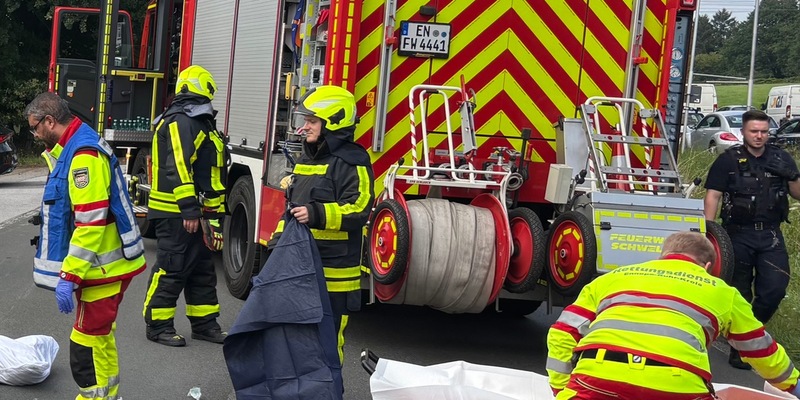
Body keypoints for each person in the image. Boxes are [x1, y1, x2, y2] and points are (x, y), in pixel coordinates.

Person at [546, 231, 800, 400]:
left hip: (597, 378)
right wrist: (793, 384)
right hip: (675, 384)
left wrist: (562, 388)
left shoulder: (613, 277)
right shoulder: (723, 291)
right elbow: (759, 349)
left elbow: (562, 333)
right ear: (707, 266)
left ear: (662, 256)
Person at [25, 92, 146, 400]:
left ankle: (94, 396)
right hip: (109, 265)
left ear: (50, 121)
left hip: (103, 267)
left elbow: (90, 224)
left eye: (35, 127)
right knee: (100, 335)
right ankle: (107, 395)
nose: (35, 134)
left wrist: (70, 275)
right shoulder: (77, 145)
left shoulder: (83, 157)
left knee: (85, 342)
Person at [268, 85, 374, 364]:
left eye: (312, 121)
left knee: (327, 342)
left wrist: (317, 213)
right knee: (295, 338)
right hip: (301, 267)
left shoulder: (353, 162)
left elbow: (360, 208)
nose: (304, 128)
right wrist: (276, 245)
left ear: (333, 122)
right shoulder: (307, 158)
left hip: (335, 275)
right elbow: (291, 211)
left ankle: (328, 386)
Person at [703, 109, 800, 369]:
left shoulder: (781, 158)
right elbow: (713, 195)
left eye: (764, 131)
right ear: (744, 132)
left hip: (770, 235)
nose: (759, 136)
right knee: (740, 293)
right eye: (754, 131)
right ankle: (741, 348)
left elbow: (797, 194)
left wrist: (792, 176)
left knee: (775, 289)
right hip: (737, 234)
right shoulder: (728, 160)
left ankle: (746, 337)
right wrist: (709, 234)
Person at [143, 65, 228, 346]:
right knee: (172, 269)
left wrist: (208, 213)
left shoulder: (196, 119)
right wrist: (189, 209)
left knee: (202, 270)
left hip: (195, 212)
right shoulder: (182, 120)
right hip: (176, 213)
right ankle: (158, 326)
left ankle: (205, 325)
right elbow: (178, 166)